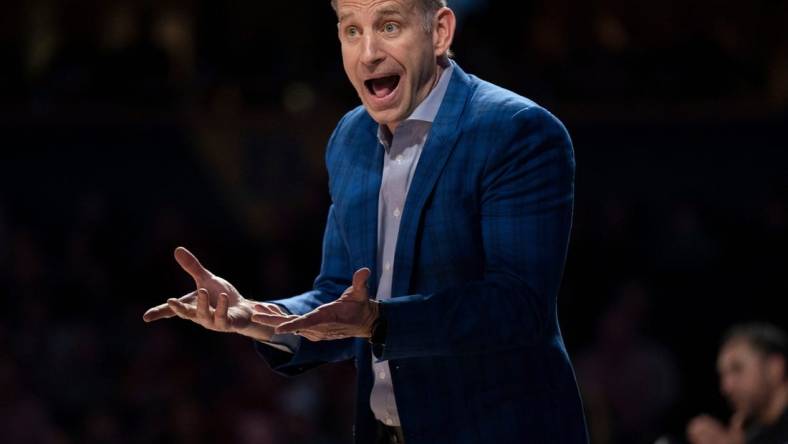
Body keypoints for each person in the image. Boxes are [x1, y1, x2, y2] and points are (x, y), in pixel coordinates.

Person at [143, 0, 589, 442]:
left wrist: (377, 321)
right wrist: (259, 317)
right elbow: (339, 298)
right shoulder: (349, 137)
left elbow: (518, 307)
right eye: (351, 30)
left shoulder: (516, 130)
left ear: (440, 32)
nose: (368, 52)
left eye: (389, 26)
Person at [687, 323, 788, 444]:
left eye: (737, 369)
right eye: (723, 375)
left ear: (774, 368)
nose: (726, 387)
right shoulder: (751, 434)